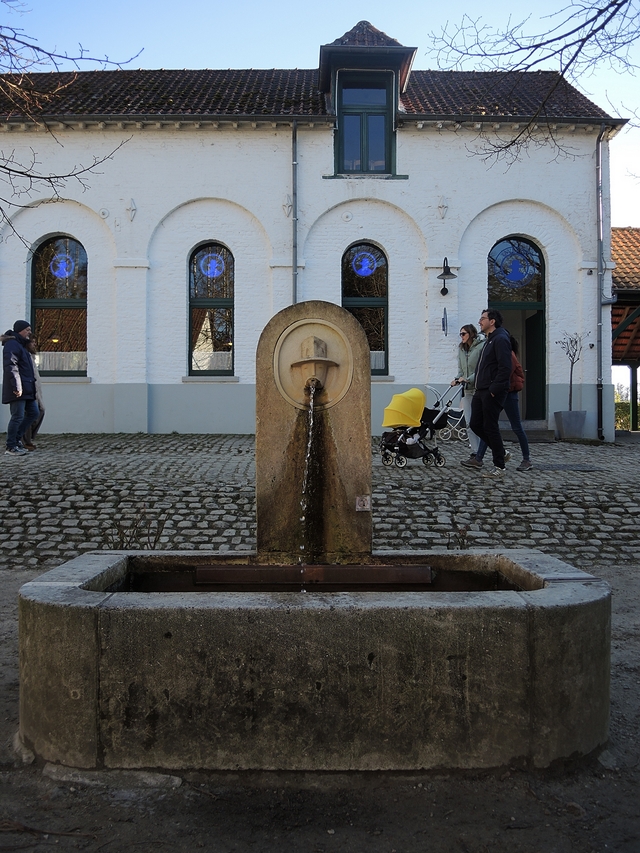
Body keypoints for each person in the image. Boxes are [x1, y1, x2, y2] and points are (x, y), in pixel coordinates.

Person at [472, 335, 533, 472]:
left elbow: (504, 372)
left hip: (508, 393)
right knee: (489, 424)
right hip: (499, 392)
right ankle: (479, 457)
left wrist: (492, 388)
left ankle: (526, 459)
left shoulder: (508, 355)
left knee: (516, 426)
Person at [469, 308, 512, 478]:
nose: (479, 322)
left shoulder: (500, 339)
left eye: (482, 319)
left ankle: (499, 467)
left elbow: (505, 367)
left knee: (490, 426)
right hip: (481, 390)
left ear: (492, 321)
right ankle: (501, 451)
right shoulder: (489, 340)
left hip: (491, 391)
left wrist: (494, 389)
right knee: (475, 424)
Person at [2, 320, 40, 457]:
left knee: (34, 413)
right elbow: (11, 366)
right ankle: (11, 446)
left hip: (27, 388)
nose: (29, 332)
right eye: (27, 330)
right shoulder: (12, 345)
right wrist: (17, 386)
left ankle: (16, 440)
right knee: (17, 416)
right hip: (18, 388)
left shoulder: (21, 345)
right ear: (19, 330)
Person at [450, 324, 485, 464]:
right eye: (460, 334)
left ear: (470, 333)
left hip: (480, 389)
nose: (461, 336)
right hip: (468, 390)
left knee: (482, 424)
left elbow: (482, 369)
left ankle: (497, 451)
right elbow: (461, 369)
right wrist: (457, 379)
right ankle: (475, 453)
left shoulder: (481, 347)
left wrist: (468, 379)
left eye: (463, 333)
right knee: (469, 423)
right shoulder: (461, 349)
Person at [22, 337, 45, 450]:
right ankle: (25, 440)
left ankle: (28, 438)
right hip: (29, 389)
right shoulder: (25, 356)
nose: (35, 345)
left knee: (40, 411)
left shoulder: (32, 356)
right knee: (31, 413)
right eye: (33, 342)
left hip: (36, 389)